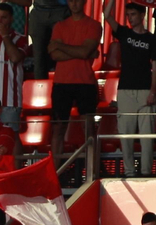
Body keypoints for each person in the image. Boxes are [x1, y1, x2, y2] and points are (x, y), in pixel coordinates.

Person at [107, 3, 156, 178]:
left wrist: (153, 90)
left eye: (133, 14)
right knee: (126, 136)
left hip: (145, 90)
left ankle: (146, 173)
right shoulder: (124, 33)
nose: (130, 18)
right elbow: (106, 16)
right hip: (125, 91)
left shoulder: (152, 39)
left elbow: (155, 66)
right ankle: (129, 172)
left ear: (142, 15)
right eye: (128, 14)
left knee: (147, 137)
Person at [49, 0, 101, 172]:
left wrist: (62, 47)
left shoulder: (94, 25)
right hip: (61, 82)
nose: (74, 4)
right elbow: (54, 54)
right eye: (71, 0)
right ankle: (54, 173)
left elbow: (84, 52)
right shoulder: (59, 25)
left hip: (85, 82)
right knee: (57, 128)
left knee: (88, 128)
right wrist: (80, 52)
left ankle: (91, 171)